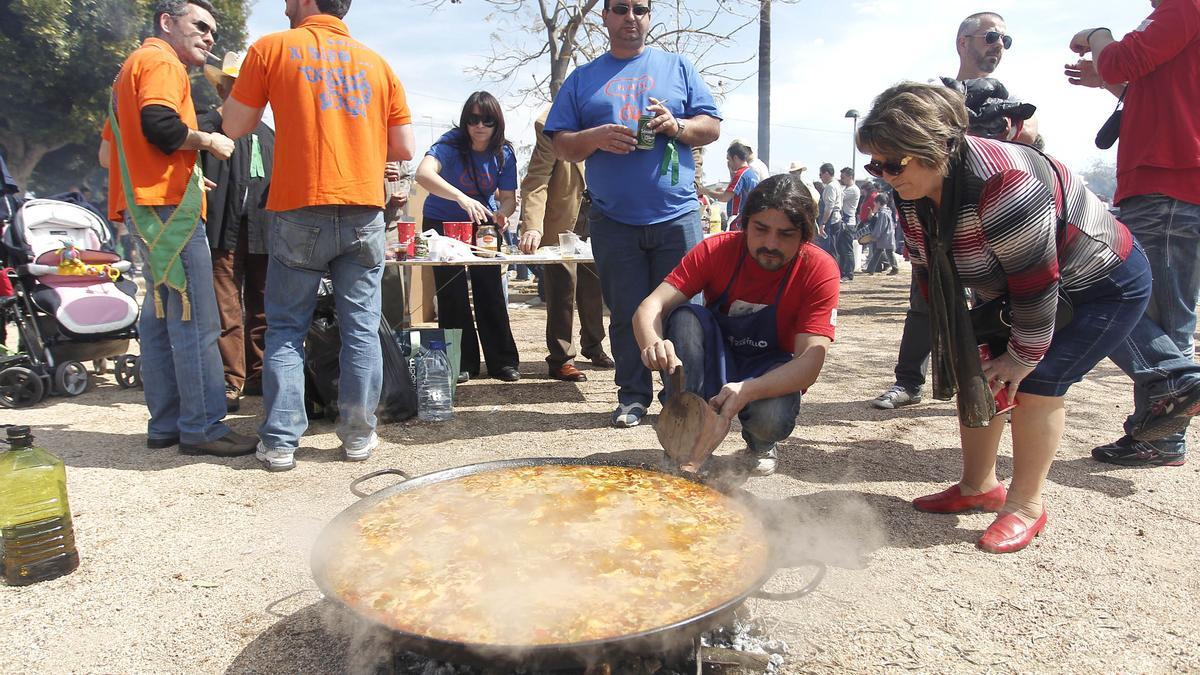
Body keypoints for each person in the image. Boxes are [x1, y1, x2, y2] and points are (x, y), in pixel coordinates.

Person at [857, 82, 1151, 553]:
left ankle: (1027, 505)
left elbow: (1037, 283)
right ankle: (978, 488)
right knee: (981, 371)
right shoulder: (910, 190)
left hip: (1101, 285)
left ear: (940, 145)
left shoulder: (1005, 181)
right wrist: (958, 340)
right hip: (1016, 290)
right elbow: (933, 270)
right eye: (876, 164)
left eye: (894, 163)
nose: (885, 175)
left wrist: (1021, 357)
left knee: (1034, 385)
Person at [221, 0, 415, 471]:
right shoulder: (377, 63)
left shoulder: (271, 49)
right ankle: (357, 436)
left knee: (287, 328)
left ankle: (282, 442)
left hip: (299, 205)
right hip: (362, 209)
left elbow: (234, 125)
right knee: (360, 328)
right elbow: (405, 147)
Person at [545, 0, 722, 428]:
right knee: (625, 312)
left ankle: (682, 399)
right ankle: (633, 397)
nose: (630, 17)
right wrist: (596, 136)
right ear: (603, 17)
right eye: (620, 9)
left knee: (684, 314)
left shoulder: (678, 66)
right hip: (613, 219)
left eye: (639, 9)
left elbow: (712, 126)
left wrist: (676, 126)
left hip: (677, 217)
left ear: (649, 17)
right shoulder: (583, 79)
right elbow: (561, 144)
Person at [98, 0, 257, 458]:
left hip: (143, 207)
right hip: (170, 212)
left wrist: (184, 170)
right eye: (200, 26)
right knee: (197, 319)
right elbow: (162, 127)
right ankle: (203, 426)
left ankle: (166, 423)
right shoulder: (162, 61)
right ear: (167, 23)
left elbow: (109, 157)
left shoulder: (129, 70)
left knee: (160, 318)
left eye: (212, 31)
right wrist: (207, 140)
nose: (209, 37)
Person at [872, 9, 1029, 411]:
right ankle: (908, 381)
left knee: (1003, 305)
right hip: (934, 213)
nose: (999, 47)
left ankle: (1003, 389)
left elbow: (1031, 145)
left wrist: (1014, 135)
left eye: (1005, 41)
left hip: (988, 216)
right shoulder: (933, 94)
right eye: (992, 37)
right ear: (964, 42)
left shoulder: (1006, 99)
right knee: (926, 298)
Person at [1066, 1, 1200, 466]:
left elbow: (1123, 59)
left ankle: (1173, 381)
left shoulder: (1183, 5)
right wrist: (1109, 80)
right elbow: (1155, 85)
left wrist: (1101, 36)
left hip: (1165, 180)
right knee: (1171, 318)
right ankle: (1161, 435)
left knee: (1114, 298)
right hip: (1177, 181)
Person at [634, 174, 838, 476]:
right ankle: (687, 434)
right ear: (744, 225)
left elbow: (810, 361)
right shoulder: (715, 251)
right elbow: (650, 306)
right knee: (685, 317)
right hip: (717, 355)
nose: (770, 243)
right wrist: (652, 342)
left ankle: (760, 443)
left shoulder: (818, 269)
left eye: (786, 234)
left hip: (770, 368)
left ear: (804, 236)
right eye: (761, 229)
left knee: (772, 417)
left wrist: (748, 390)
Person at [415, 92, 521, 383]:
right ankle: (460, 362)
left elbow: (509, 198)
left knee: (490, 289)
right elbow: (423, 174)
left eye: (487, 120)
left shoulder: (504, 153)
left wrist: (502, 213)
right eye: (473, 119)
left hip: (483, 226)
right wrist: (461, 198)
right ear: (465, 121)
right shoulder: (449, 144)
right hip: (441, 221)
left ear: (496, 122)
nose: (480, 126)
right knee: (451, 292)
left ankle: (503, 362)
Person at [197, 50, 275, 408]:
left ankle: (258, 374)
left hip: (264, 230)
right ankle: (231, 381)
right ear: (224, 88)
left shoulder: (269, 134)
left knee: (262, 306)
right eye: (236, 85)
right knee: (226, 307)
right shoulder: (205, 128)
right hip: (221, 229)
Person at [518, 105, 612, 383]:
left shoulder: (615, 116)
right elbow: (536, 181)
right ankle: (561, 358)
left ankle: (594, 346)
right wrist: (532, 226)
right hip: (563, 217)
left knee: (595, 284)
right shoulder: (550, 124)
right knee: (562, 287)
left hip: (601, 213)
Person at [696, 142, 760, 230]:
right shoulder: (753, 175)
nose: (728, 163)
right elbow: (737, 194)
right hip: (748, 218)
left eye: (729, 159)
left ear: (735, 158)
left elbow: (725, 198)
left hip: (737, 219)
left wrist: (706, 191)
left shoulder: (740, 174)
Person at [835, 167, 860, 281]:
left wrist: (836, 185)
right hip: (846, 221)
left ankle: (849, 273)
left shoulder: (853, 189)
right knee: (842, 248)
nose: (841, 179)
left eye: (843, 177)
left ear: (850, 177)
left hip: (848, 223)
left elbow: (839, 197)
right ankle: (845, 271)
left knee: (847, 249)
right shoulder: (848, 188)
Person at [864, 193, 898, 274]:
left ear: (879, 203)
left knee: (884, 252)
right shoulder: (887, 211)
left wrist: (875, 235)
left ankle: (894, 268)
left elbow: (880, 226)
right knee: (881, 252)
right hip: (887, 235)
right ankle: (871, 269)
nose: (874, 204)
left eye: (875, 202)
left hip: (884, 236)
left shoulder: (882, 213)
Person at [815, 163, 841, 256]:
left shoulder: (831, 186)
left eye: (820, 175)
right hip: (835, 219)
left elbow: (829, 207)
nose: (820, 178)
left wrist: (823, 223)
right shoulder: (836, 184)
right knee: (833, 248)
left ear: (826, 173)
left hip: (831, 221)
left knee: (829, 249)